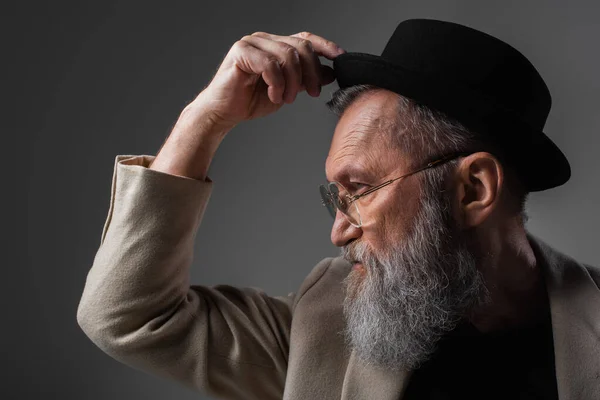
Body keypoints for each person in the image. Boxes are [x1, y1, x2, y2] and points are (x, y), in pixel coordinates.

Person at [77, 19, 600, 399]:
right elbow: (127, 317)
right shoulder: (325, 326)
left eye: (360, 188)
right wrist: (205, 119)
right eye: (336, 196)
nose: (338, 231)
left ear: (473, 190)